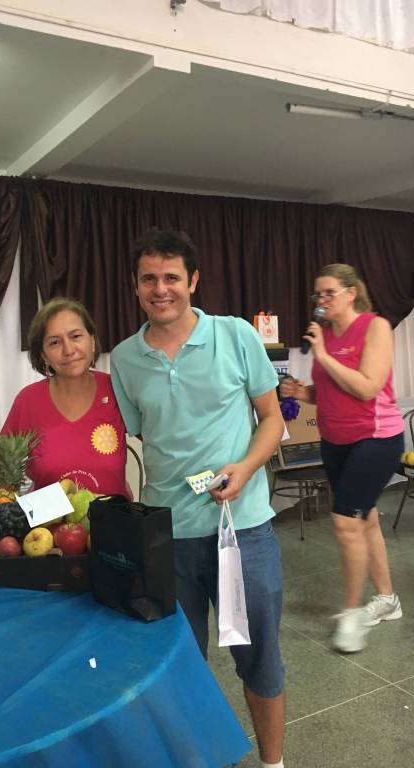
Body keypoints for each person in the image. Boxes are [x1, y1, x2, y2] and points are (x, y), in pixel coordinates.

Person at [110, 229, 286, 768]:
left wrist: (245, 467)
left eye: (171, 277)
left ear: (193, 281)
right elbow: (144, 435)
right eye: (148, 279)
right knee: (180, 666)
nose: (160, 288)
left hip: (243, 529)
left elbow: (272, 419)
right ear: (136, 286)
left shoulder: (235, 335)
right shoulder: (125, 359)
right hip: (167, 538)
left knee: (260, 659)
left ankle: (274, 763)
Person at [280, 264, 404, 654]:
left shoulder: (374, 327)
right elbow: (330, 391)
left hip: (376, 438)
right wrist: (302, 393)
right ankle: (387, 600)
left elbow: (367, 388)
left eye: (329, 292)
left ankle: (351, 617)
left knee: (345, 521)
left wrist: (321, 353)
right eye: (317, 294)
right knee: (365, 518)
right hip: (335, 441)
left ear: (351, 293)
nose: (321, 300)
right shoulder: (327, 334)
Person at [0, 297, 128, 497]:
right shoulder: (29, 400)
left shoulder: (118, 389)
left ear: (92, 341)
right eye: (55, 342)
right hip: (47, 517)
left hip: (115, 515)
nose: (68, 350)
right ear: (44, 355)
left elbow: (154, 438)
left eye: (76, 336)